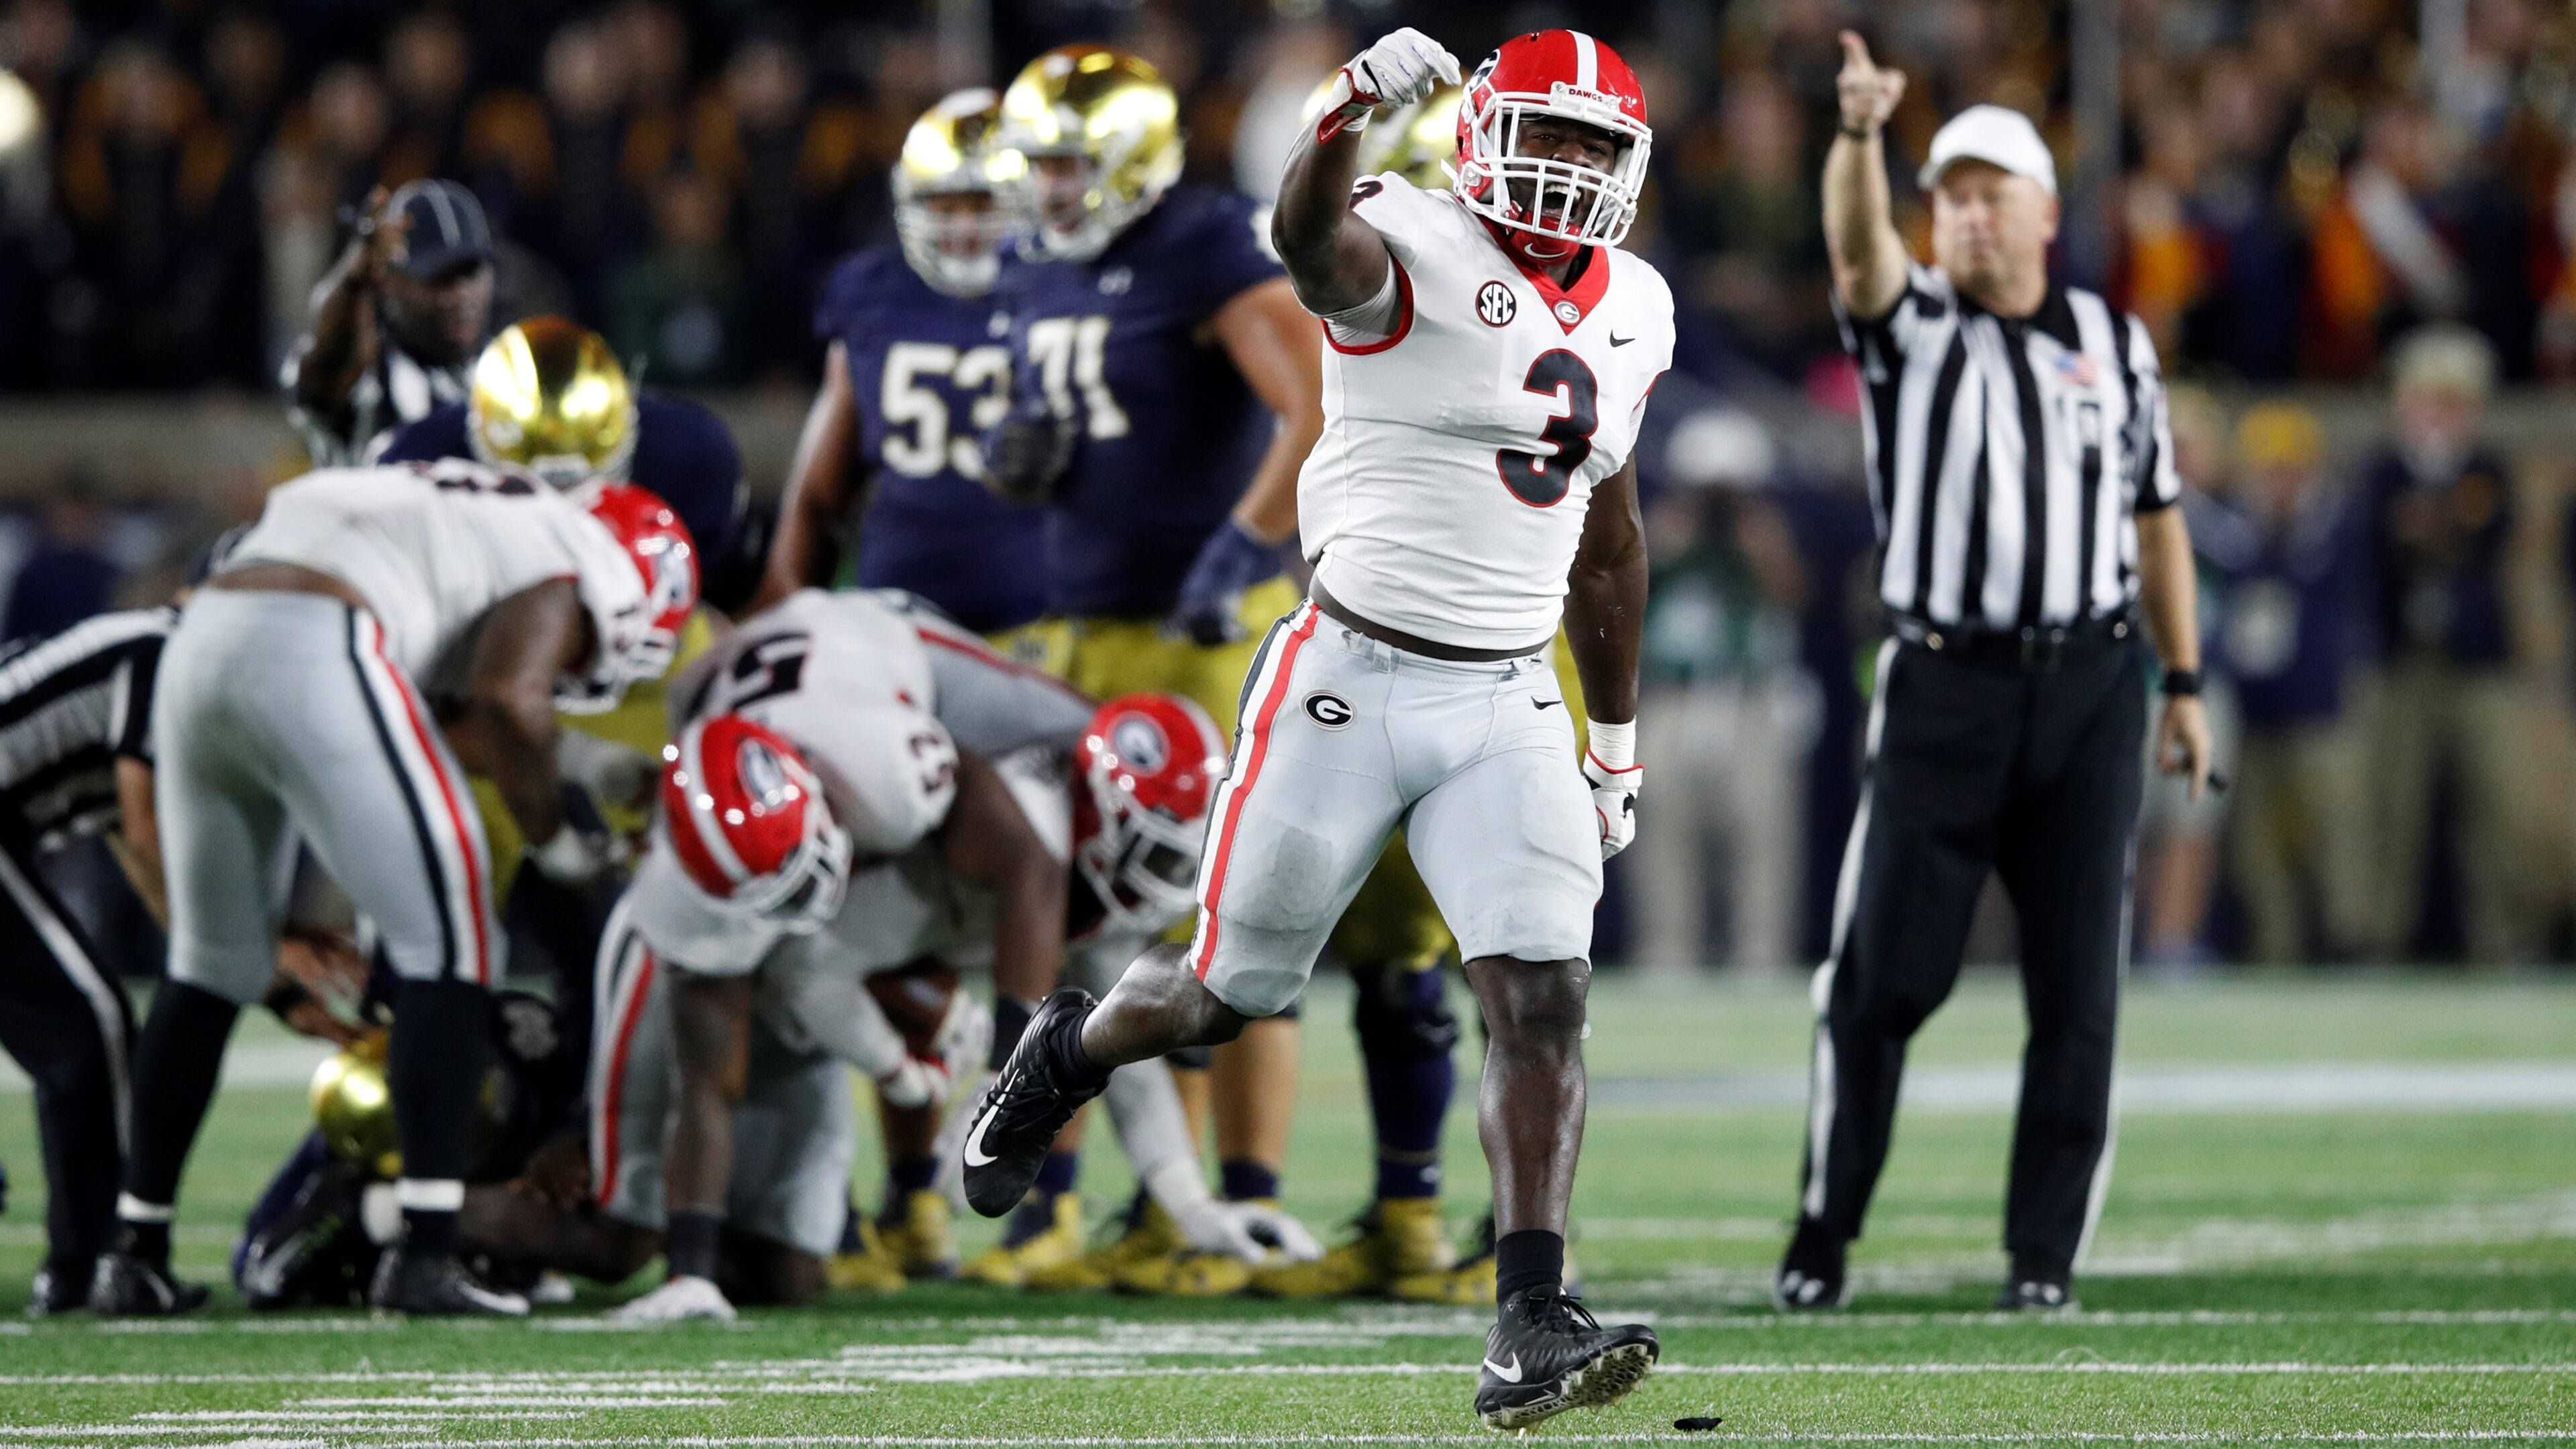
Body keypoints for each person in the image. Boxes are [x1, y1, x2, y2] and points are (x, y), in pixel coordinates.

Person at [961, 25, 1671, 1430]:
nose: (1569, 167)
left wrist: (1616, 743)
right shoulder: (1400, 231)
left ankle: (1530, 1313)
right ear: (1476, 132)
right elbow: (1302, 238)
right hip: (1345, 676)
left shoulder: (1639, 303)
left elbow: (1612, 546)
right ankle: (1065, 1055)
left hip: (1509, 691)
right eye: (1548, 133)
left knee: (1542, 993)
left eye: (1596, 146)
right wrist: (1344, 108)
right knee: (1226, 996)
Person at [976, 40, 1463, 1305]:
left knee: (1216, 912)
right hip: (1083, 622)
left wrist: (1241, 543)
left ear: (1136, 158)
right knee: (1098, 908)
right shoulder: (1040, 262)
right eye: (1039, 166)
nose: (1050, 188)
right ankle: (1128, 1205)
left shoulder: (1201, 246)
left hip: (1193, 628)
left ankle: (1226, 1203)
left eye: (1072, 164)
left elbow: (1304, 399)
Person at [1778, 40, 2210, 1316]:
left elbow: (2158, 517)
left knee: (2079, 990)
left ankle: (2043, 1258)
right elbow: (1859, 256)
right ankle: (1825, 1230)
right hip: (1942, 688)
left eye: (1989, 193)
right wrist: (1859, 139)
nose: (1966, 214)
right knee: (1879, 985)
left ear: (2044, 211)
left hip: (2090, 689)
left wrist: (2182, 682)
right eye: (1949, 196)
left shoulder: (2111, 342)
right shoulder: (1912, 328)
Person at [89, 461, 697, 1318]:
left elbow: (460, 711)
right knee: (453, 949)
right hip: (318, 631)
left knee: (211, 961)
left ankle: (135, 1254)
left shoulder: (468, 521)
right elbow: (509, 699)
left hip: (207, 639)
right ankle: (425, 1255)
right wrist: (559, 841)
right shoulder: (577, 554)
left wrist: (590, 764)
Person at [758, 89, 1041, 643]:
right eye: (944, 205)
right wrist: (790, 623)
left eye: (983, 205)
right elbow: (818, 494)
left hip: (1043, 620)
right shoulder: (875, 293)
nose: (963, 228)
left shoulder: (1068, 293)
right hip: (898, 615)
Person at [377, 316, 757, 611]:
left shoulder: (692, 456)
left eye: (575, 491)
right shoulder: (417, 463)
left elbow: (725, 598)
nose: (564, 511)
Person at [2356, 325, 2532, 961]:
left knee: (2494, 802)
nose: (2439, 415)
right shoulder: (2380, 469)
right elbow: (2375, 546)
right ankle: (2377, 938)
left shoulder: (2488, 468)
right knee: (2391, 803)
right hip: (2401, 655)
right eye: (2429, 400)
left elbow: (2486, 540)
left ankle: (2505, 939)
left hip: (2474, 657)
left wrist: (2429, 525)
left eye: (2453, 402)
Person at [282, 179, 498, 468]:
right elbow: (324, 373)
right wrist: (354, 282)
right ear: (388, 281)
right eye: (439, 278)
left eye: (470, 273)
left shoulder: (511, 370)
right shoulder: (368, 374)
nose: (460, 294)